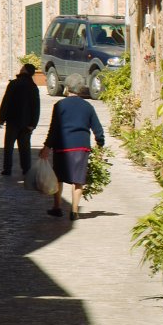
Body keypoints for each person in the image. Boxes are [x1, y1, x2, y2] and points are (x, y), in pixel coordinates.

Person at [40, 75, 105, 220]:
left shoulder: (59, 106)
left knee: (58, 178)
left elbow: (54, 129)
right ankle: (74, 211)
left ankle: (57, 207)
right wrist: (100, 143)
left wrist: (47, 147)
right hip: (81, 148)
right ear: (81, 89)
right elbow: (98, 128)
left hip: (62, 147)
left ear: (67, 87)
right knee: (78, 180)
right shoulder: (88, 106)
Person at [0, 63, 40, 175]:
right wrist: (33, 123)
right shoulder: (33, 86)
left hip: (12, 120)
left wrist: (2, 117)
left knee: (9, 146)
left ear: (24, 70)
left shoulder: (14, 84)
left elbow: (6, 101)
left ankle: (7, 169)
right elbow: (36, 106)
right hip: (26, 122)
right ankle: (26, 169)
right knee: (25, 148)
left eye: (22, 68)